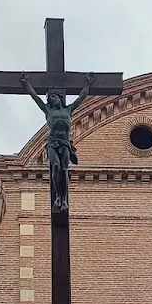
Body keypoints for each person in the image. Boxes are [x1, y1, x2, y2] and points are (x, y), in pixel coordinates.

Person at [20, 73, 94, 213]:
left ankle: (63, 198)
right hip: (53, 143)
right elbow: (35, 97)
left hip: (65, 143)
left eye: (54, 97)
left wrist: (88, 84)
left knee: (64, 169)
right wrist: (26, 84)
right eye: (50, 98)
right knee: (55, 166)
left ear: (60, 98)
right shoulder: (48, 110)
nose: (52, 100)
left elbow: (82, 97)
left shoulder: (68, 110)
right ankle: (57, 198)